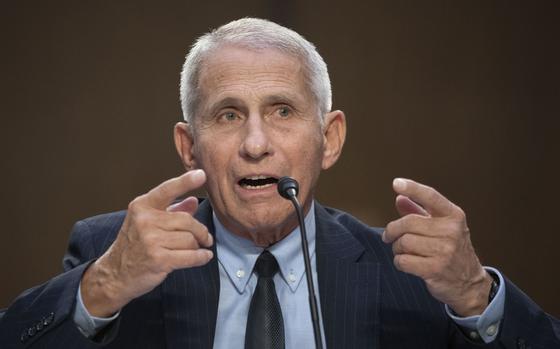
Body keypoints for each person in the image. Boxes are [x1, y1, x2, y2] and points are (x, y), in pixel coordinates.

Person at [0, 18, 558, 349]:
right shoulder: (110, 257)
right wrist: (100, 288)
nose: (256, 143)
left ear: (330, 139)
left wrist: (477, 298)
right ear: (188, 147)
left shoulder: (413, 278)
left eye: (283, 110)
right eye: (227, 115)